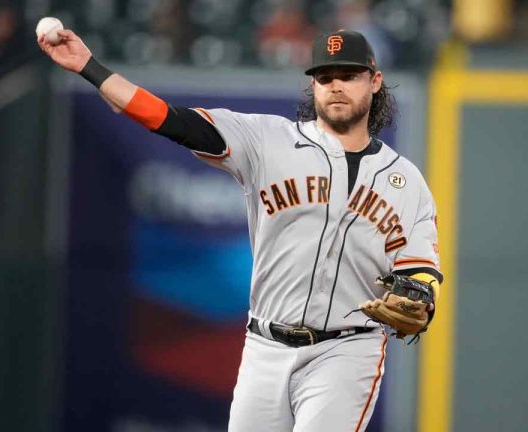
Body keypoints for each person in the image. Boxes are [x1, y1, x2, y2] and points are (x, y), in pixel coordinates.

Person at [38, 27, 443, 432]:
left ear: (374, 81)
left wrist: (421, 302)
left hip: (348, 351)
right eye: (324, 77)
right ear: (313, 85)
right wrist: (88, 68)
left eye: (348, 75)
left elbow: (421, 271)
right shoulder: (267, 140)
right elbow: (163, 117)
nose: (335, 86)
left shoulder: (405, 181)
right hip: (265, 346)